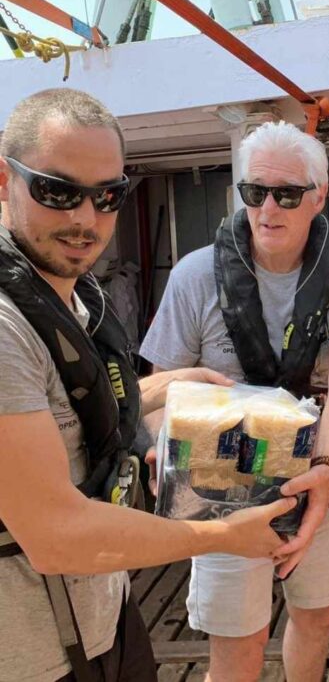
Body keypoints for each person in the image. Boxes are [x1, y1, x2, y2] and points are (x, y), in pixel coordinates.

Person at [0, 88, 298, 682]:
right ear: (4, 181)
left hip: (106, 618)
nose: (84, 219)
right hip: (31, 651)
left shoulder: (75, 300)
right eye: (57, 192)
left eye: (108, 196)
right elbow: (56, 535)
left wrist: (165, 386)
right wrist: (219, 534)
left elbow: (72, 404)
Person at [140, 121, 329, 681]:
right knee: (238, 643)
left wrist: (328, 470)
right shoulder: (196, 274)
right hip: (222, 493)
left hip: (317, 473)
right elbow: (162, 391)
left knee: (318, 615)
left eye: (288, 194)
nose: (268, 208)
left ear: (320, 196)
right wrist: (164, 449)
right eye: (254, 192)